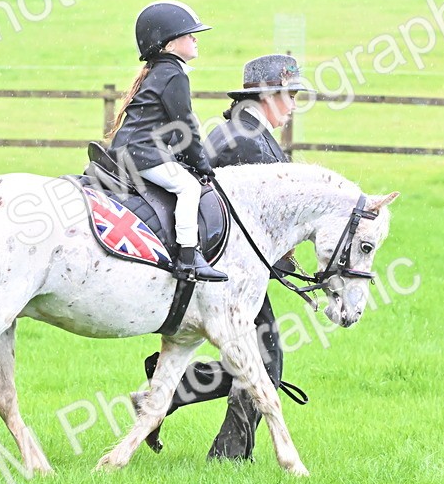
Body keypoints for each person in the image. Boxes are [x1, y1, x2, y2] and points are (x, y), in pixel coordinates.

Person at [133, 53, 312, 459]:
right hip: (224, 270)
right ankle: (228, 456)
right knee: (264, 361)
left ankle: (174, 397)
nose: (294, 104)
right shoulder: (245, 140)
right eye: (290, 94)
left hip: (222, 265)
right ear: (266, 96)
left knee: (264, 356)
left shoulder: (245, 132)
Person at [107, 1, 226, 282]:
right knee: (188, 187)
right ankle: (189, 256)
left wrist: (186, 158)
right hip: (142, 154)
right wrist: (203, 166)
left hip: (134, 150)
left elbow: (172, 131)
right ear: (170, 45)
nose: (195, 39)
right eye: (189, 35)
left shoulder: (163, 71)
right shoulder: (173, 74)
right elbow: (186, 126)